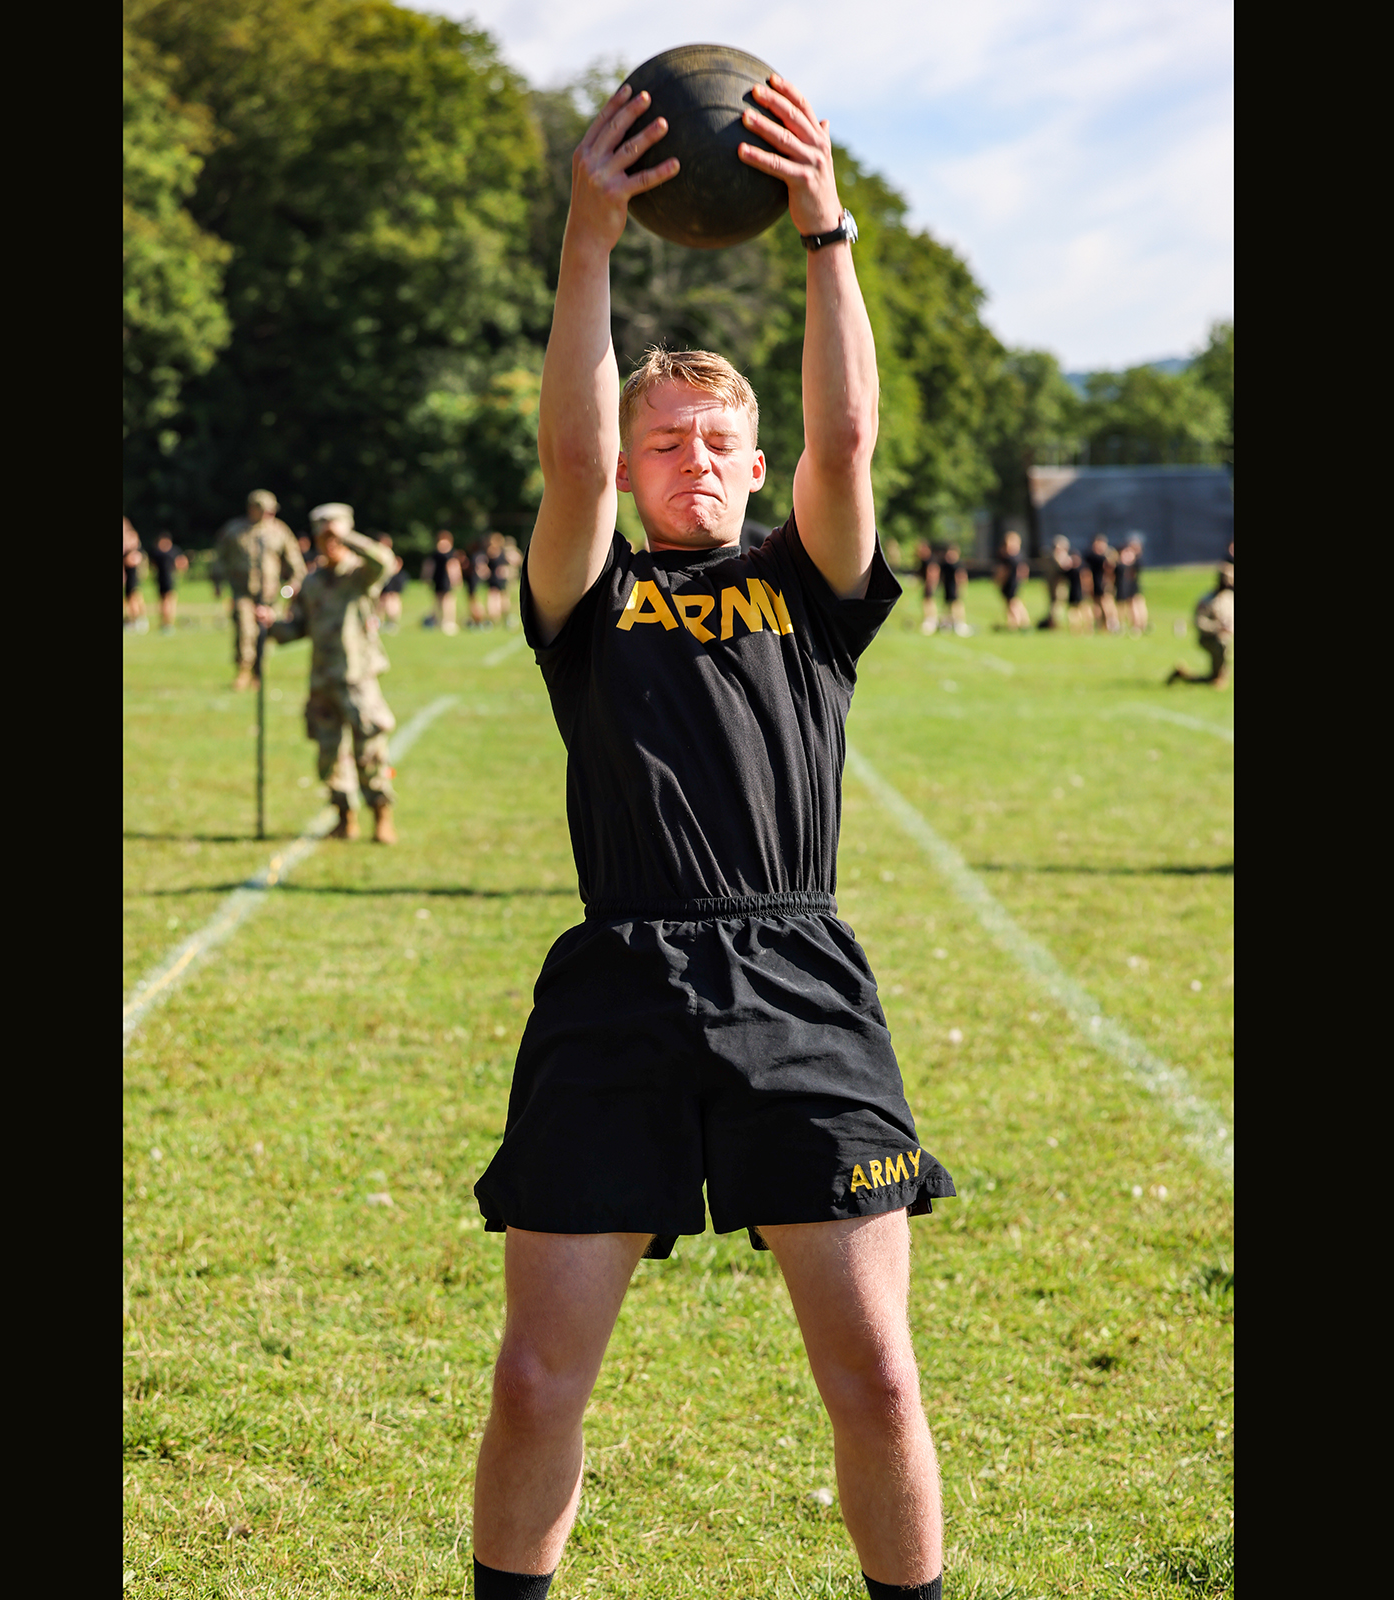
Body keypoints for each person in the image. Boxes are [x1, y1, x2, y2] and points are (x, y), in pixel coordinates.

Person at [468, 74, 952, 1600]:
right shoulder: (592, 592)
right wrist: (588, 240)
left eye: (717, 440)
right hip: (618, 981)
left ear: (755, 464)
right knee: (536, 1381)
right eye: (664, 440)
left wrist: (825, 229)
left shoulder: (809, 586)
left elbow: (849, 438)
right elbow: (564, 461)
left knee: (877, 1376)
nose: (692, 459)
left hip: (798, 981)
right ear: (631, 466)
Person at [268, 504, 405, 840]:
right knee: (329, 755)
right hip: (322, 680)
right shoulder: (311, 582)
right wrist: (270, 625)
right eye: (322, 536)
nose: (328, 543)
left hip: (357, 680)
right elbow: (297, 628)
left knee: (370, 752)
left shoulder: (359, 575)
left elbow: (384, 561)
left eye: (334, 536)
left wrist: (348, 537)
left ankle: (381, 815)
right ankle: (344, 817)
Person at [214, 490, 305, 690]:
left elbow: (296, 564)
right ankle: (243, 670)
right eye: (264, 510)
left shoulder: (280, 531)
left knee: (265, 634)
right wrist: (217, 582)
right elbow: (221, 558)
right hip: (243, 592)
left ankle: (259, 673)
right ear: (252, 509)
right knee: (245, 631)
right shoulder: (235, 530)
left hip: (270, 594)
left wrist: (290, 588)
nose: (268, 514)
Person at [1167, 557, 1233, 688]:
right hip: (1209, 638)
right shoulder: (1207, 599)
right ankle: (1218, 678)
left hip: (1226, 637)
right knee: (1221, 645)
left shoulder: (1229, 598)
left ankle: (1183, 674)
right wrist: (1218, 628)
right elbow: (1199, 622)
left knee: (1212, 678)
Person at [148, 532, 188, 634]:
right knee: (168, 601)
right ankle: (168, 623)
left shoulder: (157, 552)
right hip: (168, 578)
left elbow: (152, 565)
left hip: (160, 578)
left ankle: (165, 623)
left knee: (165, 601)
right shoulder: (172, 551)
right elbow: (183, 563)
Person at [423, 530, 462, 634]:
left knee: (443, 601)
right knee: (445, 601)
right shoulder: (447, 554)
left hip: (442, 578)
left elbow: (429, 566)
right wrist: (456, 579)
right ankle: (445, 622)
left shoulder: (439, 553)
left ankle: (444, 621)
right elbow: (453, 567)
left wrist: (427, 577)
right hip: (442, 578)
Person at [993, 531, 1031, 632]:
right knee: (1015, 602)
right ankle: (1019, 622)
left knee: (1012, 604)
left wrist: (998, 580)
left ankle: (1017, 623)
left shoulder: (1009, 558)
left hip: (1010, 583)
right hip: (1013, 582)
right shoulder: (1017, 556)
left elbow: (1003, 572)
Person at [1039, 536, 1076, 630]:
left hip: (1060, 585)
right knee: (1055, 605)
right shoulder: (1053, 557)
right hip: (1055, 585)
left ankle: (1054, 622)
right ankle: (1053, 623)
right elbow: (1061, 568)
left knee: (1057, 605)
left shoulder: (1055, 557)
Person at [1114, 533, 1147, 635]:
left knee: (1134, 605)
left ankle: (1137, 625)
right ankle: (1139, 625)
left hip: (1132, 585)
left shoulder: (1135, 559)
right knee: (1136, 604)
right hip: (1131, 585)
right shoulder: (1137, 558)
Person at [484, 533, 517, 630]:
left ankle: (504, 617)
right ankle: (494, 619)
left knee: (503, 598)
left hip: (501, 578)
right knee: (493, 598)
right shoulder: (490, 552)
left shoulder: (503, 552)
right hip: (494, 578)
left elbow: (513, 560)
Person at [1087, 536, 1119, 634]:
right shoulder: (1090, 556)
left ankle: (1112, 624)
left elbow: (1111, 570)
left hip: (1105, 584)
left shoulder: (1108, 556)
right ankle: (1100, 625)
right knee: (1097, 605)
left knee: (1107, 604)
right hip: (1094, 583)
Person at [939, 542, 970, 635]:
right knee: (948, 606)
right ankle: (949, 623)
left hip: (955, 587)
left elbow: (962, 576)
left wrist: (962, 587)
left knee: (957, 605)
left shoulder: (958, 565)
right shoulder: (945, 565)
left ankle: (960, 623)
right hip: (947, 587)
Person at [122, 518, 147, 633]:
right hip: (127, 572)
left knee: (133, 596)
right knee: (130, 597)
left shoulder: (131, 537)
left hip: (131, 572)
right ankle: (131, 620)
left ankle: (138, 620)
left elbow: (133, 557)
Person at [375, 534, 407, 624]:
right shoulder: (378, 554)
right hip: (382, 580)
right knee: (381, 601)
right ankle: (380, 620)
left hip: (391, 579)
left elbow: (397, 566)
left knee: (392, 599)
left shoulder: (390, 555)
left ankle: (392, 621)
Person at [913, 540, 938, 634]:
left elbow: (933, 572)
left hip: (930, 584)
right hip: (926, 583)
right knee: (926, 601)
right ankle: (929, 619)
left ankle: (931, 620)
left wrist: (930, 584)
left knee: (929, 601)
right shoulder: (923, 561)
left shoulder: (930, 560)